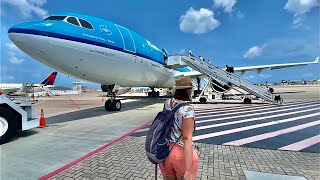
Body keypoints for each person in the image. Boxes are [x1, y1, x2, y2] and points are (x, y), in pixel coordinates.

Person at [159, 77, 199, 180]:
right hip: (180, 154)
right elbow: (186, 138)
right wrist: (189, 169)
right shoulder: (188, 109)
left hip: (164, 151)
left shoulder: (168, 103)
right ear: (187, 90)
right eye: (191, 88)